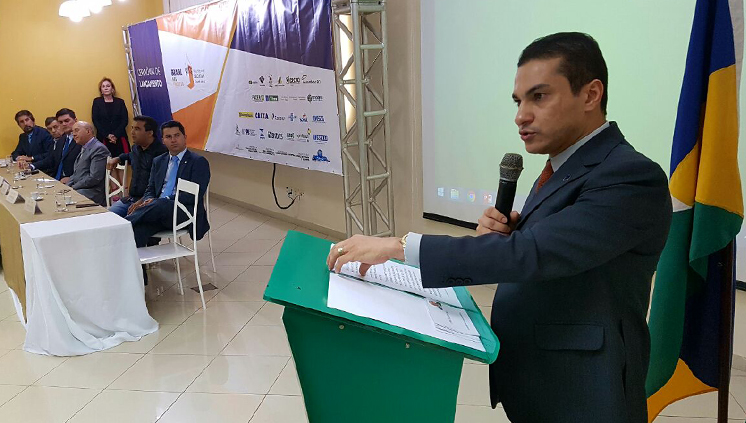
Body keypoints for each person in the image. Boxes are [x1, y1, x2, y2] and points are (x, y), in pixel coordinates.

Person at [326, 32, 672, 422]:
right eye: (518, 101)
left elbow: (535, 254)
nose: (521, 115)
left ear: (591, 95)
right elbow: (555, 250)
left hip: (585, 390)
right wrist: (510, 235)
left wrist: (398, 246)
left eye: (539, 97)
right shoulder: (564, 166)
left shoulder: (630, 176)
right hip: (539, 375)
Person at [125, 120, 210, 248]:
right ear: (163, 140)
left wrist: (163, 200)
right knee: (137, 230)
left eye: (177, 135)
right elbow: (150, 188)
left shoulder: (198, 162)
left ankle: (121, 225)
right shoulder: (159, 161)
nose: (173, 140)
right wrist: (148, 200)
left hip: (183, 212)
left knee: (159, 203)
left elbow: (193, 195)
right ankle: (137, 262)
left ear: (185, 137)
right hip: (157, 211)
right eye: (168, 137)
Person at [107, 116, 168, 217]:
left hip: (148, 202)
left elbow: (161, 185)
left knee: (126, 222)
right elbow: (130, 155)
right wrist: (118, 158)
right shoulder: (136, 148)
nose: (132, 132)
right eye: (132, 128)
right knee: (107, 217)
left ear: (150, 133)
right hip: (130, 199)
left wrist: (143, 200)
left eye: (137, 129)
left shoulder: (162, 153)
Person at [92, 77, 130, 191]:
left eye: (108, 86)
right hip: (104, 138)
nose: (106, 88)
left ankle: (125, 191)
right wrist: (108, 135)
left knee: (121, 163)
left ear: (112, 88)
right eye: (103, 86)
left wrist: (115, 135)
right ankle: (114, 191)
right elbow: (95, 120)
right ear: (101, 90)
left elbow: (125, 120)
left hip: (120, 138)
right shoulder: (97, 102)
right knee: (110, 164)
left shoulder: (120, 102)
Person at [25, 108, 82, 180]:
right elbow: (51, 159)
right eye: (60, 122)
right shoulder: (61, 140)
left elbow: (85, 166)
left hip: (72, 180)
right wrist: (31, 166)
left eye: (67, 121)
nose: (64, 124)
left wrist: (72, 179)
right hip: (56, 178)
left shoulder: (82, 139)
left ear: (76, 120)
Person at [65, 121, 109, 205]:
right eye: (72, 132)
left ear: (88, 131)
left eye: (76, 130)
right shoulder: (84, 147)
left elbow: (94, 178)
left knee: (64, 199)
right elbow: (76, 174)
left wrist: (73, 187)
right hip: (80, 188)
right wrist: (67, 186)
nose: (73, 134)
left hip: (93, 192)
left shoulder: (99, 149)